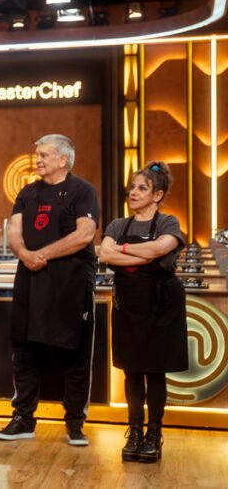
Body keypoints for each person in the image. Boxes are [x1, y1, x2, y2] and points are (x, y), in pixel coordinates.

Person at [0, 134, 100, 446]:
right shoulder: (27, 193)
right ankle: (23, 419)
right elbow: (14, 232)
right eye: (37, 154)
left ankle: (75, 422)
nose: (37, 160)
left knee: (75, 355)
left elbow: (85, 234)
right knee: (25, 353)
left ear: (63, 159)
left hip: (71, 285)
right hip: (30, 281)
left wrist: (42, 255)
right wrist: (25, 255)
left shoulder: (83, 191)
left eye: (44, 155)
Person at [98, 162, 186, 463]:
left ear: (157, 195)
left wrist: (122, 250)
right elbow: (104, 253)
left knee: (155, 370)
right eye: (132, 187)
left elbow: (158, 250)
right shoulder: (117, 225)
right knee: (131, 369)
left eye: (142, 188)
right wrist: (142, 251)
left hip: (161, 305)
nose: (133, 192)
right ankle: (134, 431)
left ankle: (153, 433)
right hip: (128, 305)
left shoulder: (169, 223)